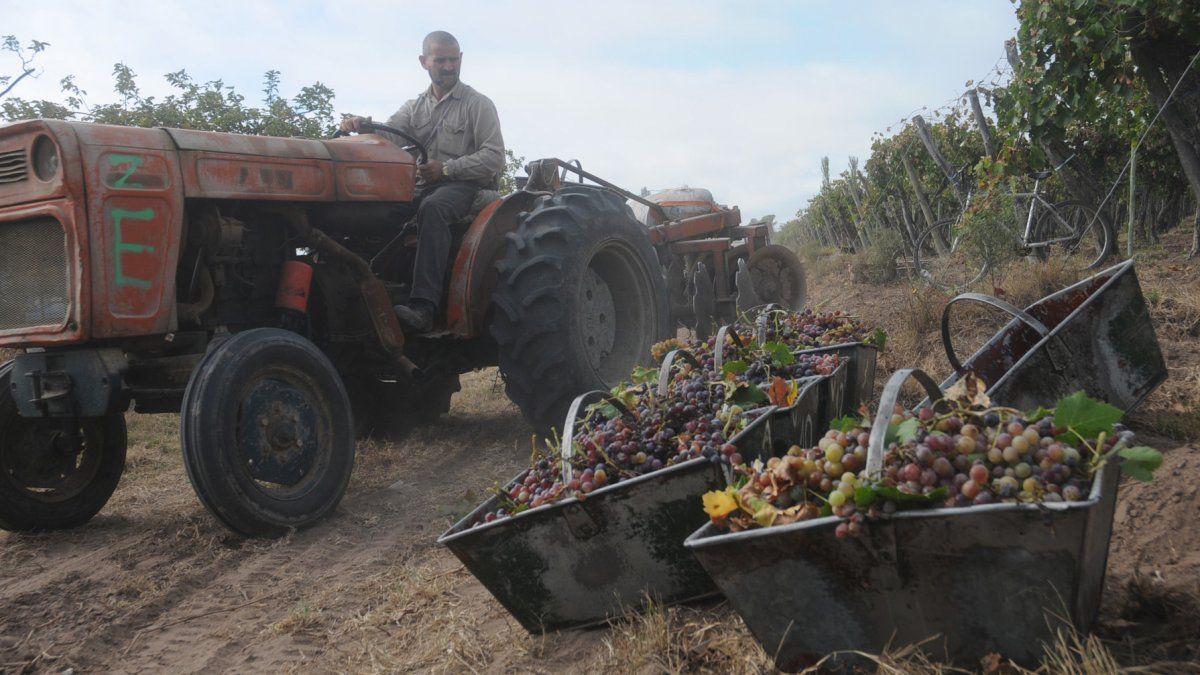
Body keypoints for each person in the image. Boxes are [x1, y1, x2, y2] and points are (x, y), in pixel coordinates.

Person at [340, 30, 505, 332]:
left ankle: (424, 307)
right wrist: (360, 127)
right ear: (423, 62)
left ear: (461, 59)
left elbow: (495, 157)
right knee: (375, 212)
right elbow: (387, 134)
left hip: (467, 186)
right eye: (440, 60)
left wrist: (447, 170)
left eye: (453, 60)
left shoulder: (478, 104)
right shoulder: (415, 108)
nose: (448, 66)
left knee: (434, 208)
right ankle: (368, 289)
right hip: (424, 186)